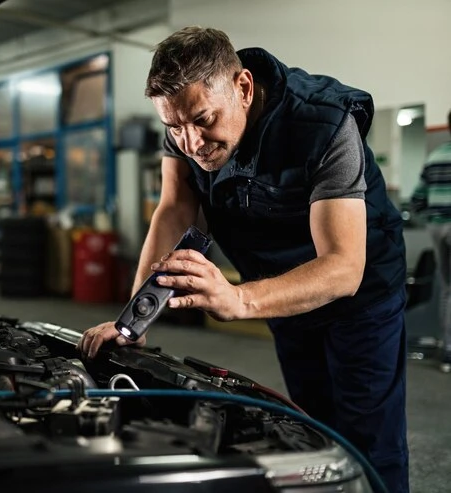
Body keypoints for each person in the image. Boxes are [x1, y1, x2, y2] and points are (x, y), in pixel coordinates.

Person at [77, 27, 409, 492]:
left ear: (244, 88)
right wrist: (133, 320)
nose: (191, 141)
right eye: (175, 127)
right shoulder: (185, 128)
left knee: (371, 438)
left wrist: (239, 300)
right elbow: (174, 208)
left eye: (202, 119)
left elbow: (343, 267)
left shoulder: (326, 125)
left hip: (360, 296)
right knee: (316, 427)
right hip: (278, 290)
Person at [410, 110, 451, 373]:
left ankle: (448, 350)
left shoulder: (435, 157)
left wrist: (432, 220)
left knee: (448, 289)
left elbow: (416, 200)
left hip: (438, 228)